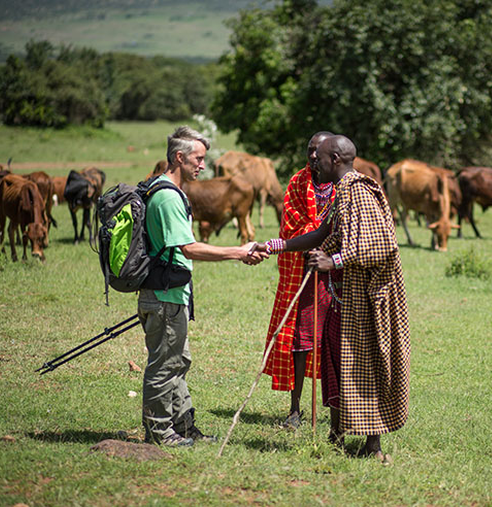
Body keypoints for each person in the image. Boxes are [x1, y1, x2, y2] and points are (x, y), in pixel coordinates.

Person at [263, 135, 410, 462]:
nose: (313, 162)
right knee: (335, 357)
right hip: (345, 297)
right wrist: (275, 246)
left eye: (320, 158)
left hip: (370, 297)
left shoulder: (359, 191)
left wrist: (335, 261)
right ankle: (337, 434)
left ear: (335, 160)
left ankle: (373, 446)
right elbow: (323, 234)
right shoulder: (342, 192)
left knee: (367, 363)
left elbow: (383, 245)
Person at [140, 126, 267, 447]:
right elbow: (189, 248)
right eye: (197, 159)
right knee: (164, 365)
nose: (202, 166)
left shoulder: (168, 191)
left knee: (177, 362)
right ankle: (158, 432)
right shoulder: (168, 196)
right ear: (179, 158)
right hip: (164, 295)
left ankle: (183, 426)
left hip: (172, 293)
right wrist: (237, 252)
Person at [262, 131, 339, 429]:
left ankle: (335, 409)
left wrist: (328, 248)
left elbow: (346, 227)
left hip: (335, 272)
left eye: (318, 151)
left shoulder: (342, 184)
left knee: (333, 340)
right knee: (299, 340)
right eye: (309, 150)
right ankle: (295, 408)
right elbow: (291, 223)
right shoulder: (297, 182)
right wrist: (319, 236)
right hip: (301, 271)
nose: (312, 156)